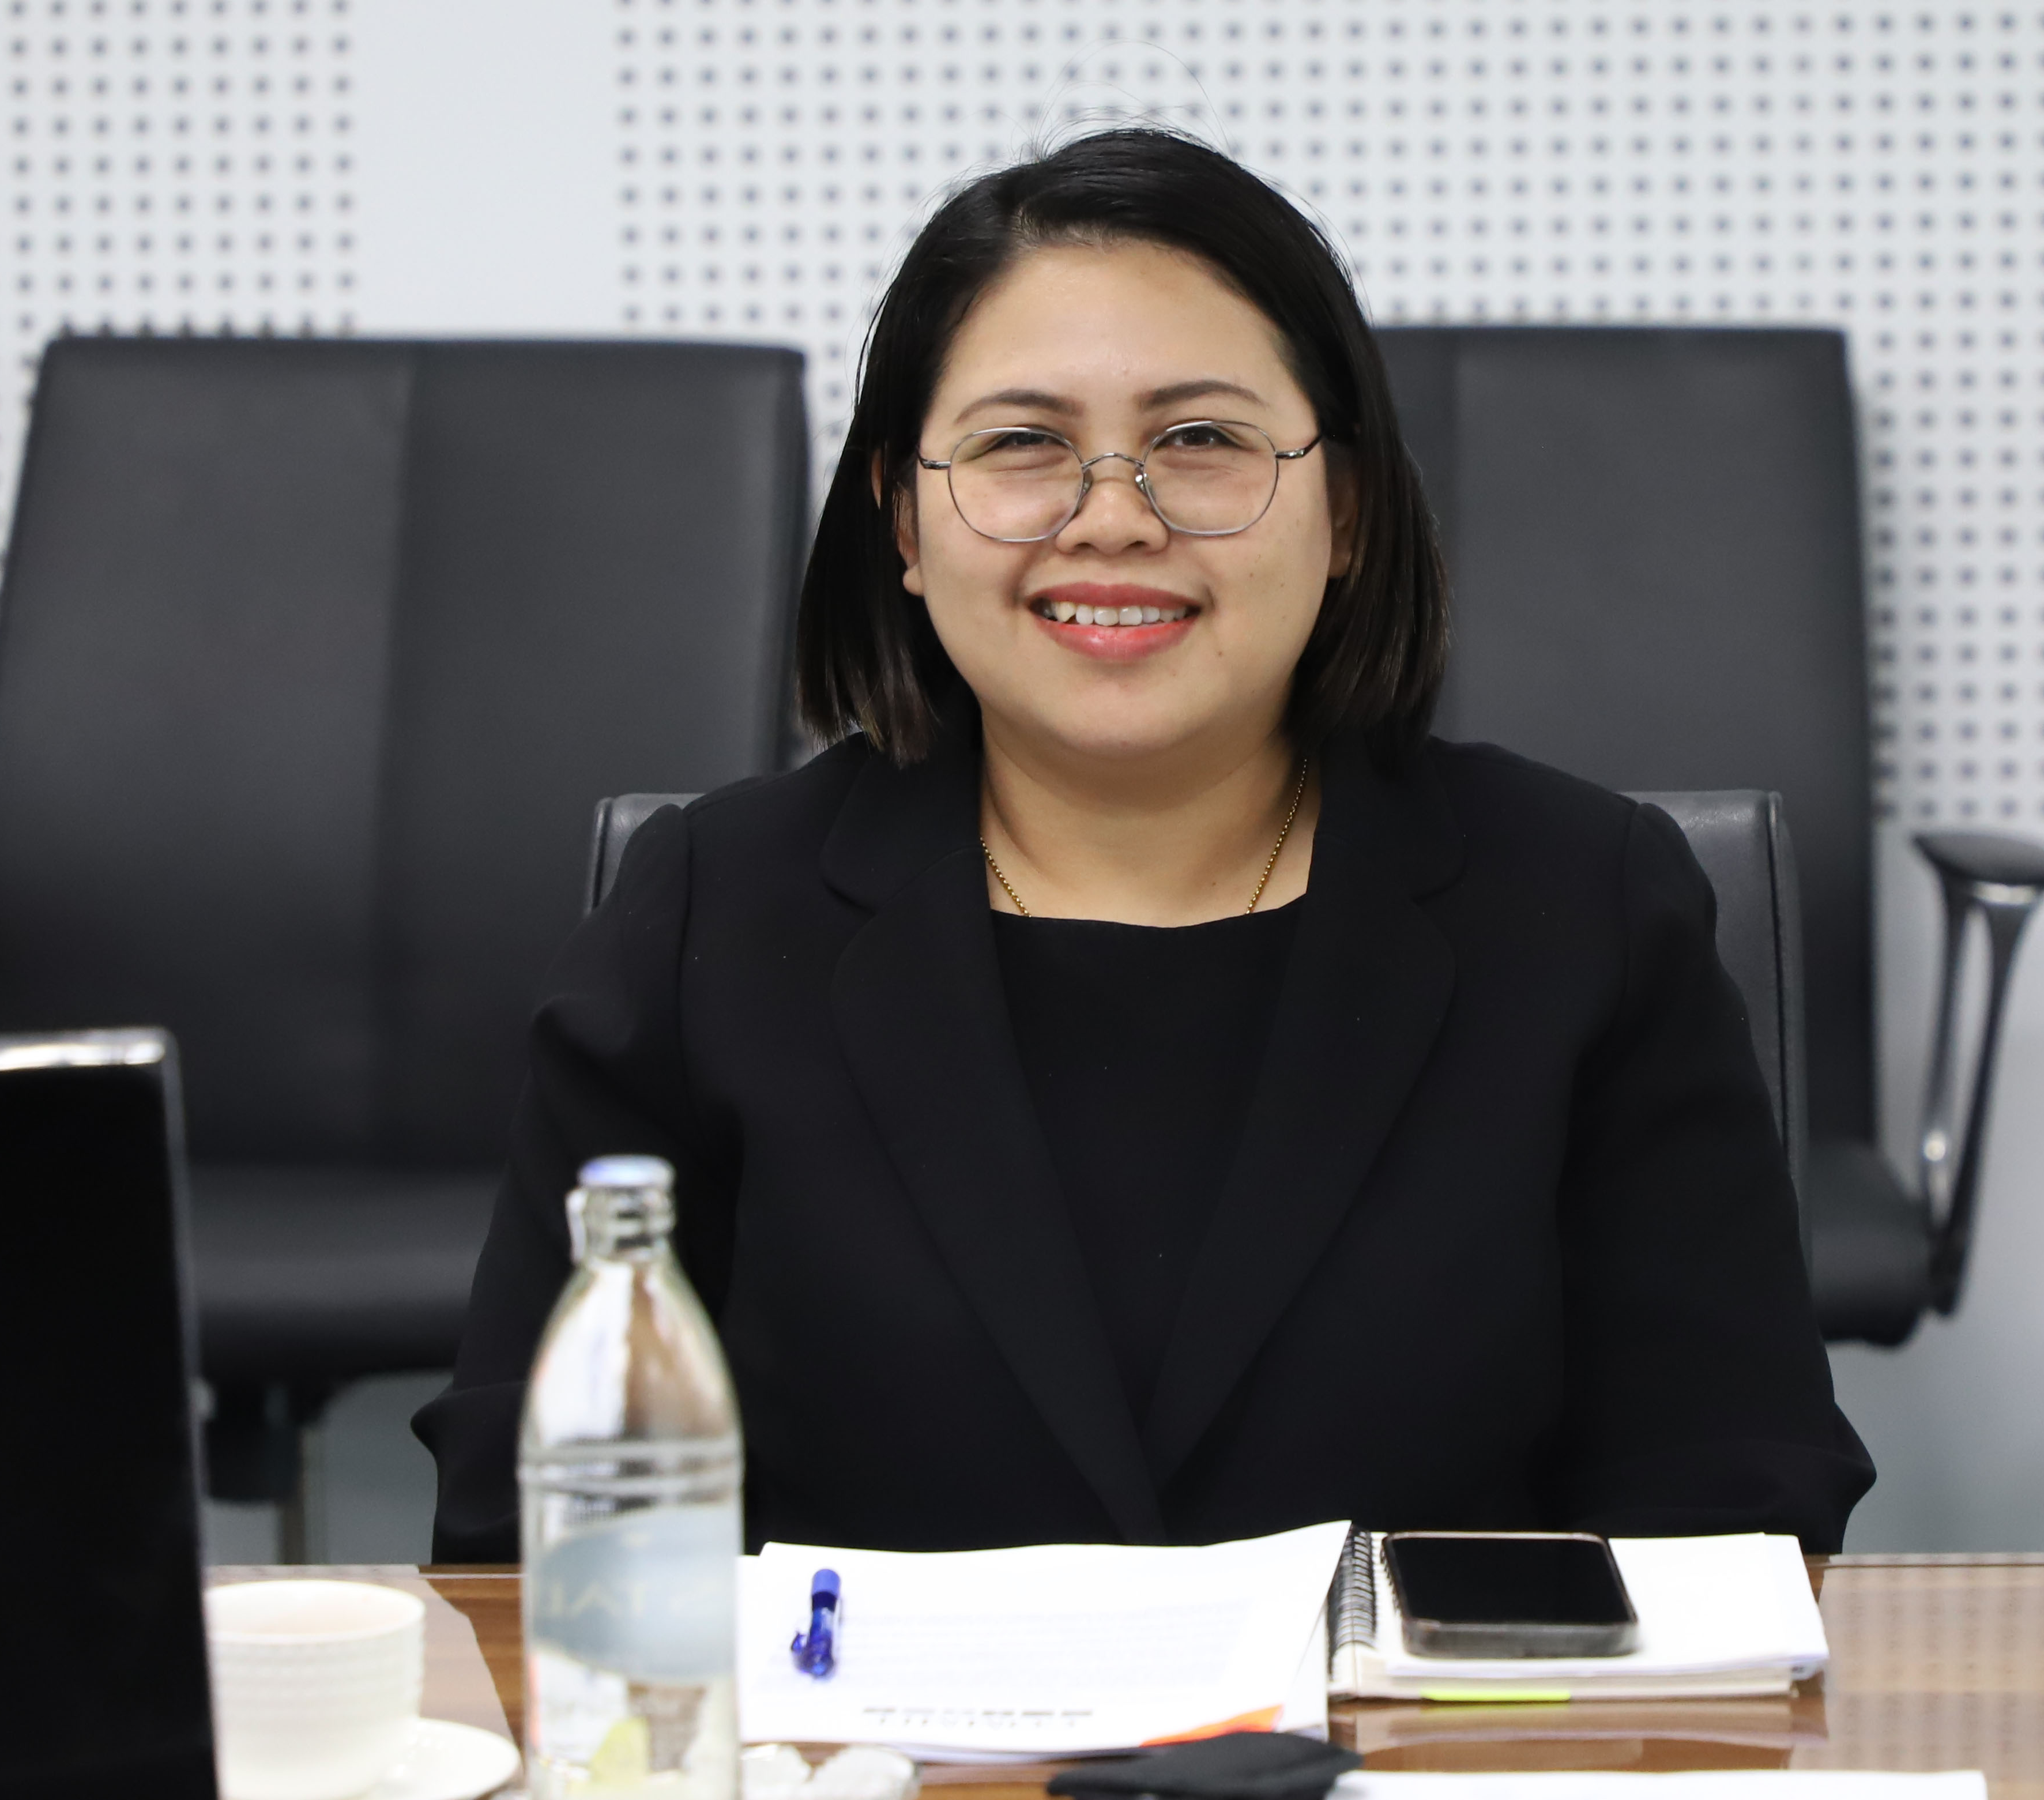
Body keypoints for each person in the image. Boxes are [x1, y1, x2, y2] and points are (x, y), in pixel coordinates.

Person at [416, 128, 1873, 1560]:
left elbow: (1732, 1517)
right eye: (1021, 444)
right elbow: (530, 1528)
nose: (1112, 520)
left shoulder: (1584, 908)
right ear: (904, 524)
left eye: (1200, 440)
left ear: (1347, 510)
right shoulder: (709, 918)